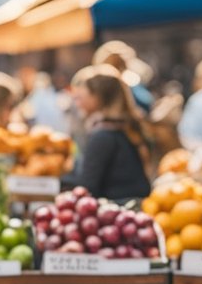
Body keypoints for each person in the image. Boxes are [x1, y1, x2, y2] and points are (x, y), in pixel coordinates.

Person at [63, 64, 151, 202]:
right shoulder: (123, 127)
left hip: (116, 212)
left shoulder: (103, 136)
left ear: (97, 97)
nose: (76, 102)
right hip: (133, 209)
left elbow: (88, 187)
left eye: (80, 96)